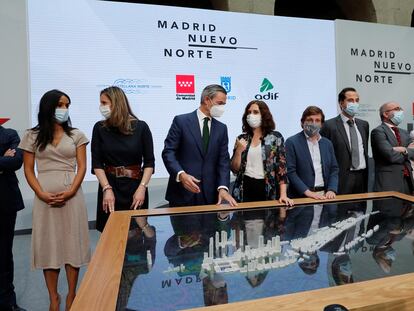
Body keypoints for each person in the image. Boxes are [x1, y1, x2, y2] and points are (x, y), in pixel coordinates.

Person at [19, 90, 90, 311]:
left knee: (72, 246)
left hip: (72, 197)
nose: (64, 109)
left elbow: (82, 167)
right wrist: (40, 193)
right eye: (60, 104)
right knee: (49, 247)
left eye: (67, 105)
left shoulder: (76, 134)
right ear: (48, 106)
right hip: (45, 199)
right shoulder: (31, 135)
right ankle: (53, 298)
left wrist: (71, 191)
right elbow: (29, 170)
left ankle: (71, 295)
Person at [91, 86, 155, 232]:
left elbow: (149, 162)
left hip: (136, 188)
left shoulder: (141, 127)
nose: (101, 107)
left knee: (137, 236)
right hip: (109, 187)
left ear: (116, 103)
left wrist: (142, 187)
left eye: (104, 103)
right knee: (110, 234)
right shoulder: (99, 128)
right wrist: (106, 189)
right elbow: (97, 163)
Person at [162, 84, 236, 208]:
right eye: (220, 103)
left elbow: (223, 161)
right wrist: (181, 175)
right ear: (207, 100)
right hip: (183, 193)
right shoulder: (181, 121)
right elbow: (168, 152)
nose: (222, 107)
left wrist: (223, 188)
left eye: (224, 104)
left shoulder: (222, 128)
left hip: (211, 196)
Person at [230, 100, 293, 206]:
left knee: (268, 221)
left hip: (267, 188)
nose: (251, 115)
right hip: (244, 187)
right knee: (244, 221)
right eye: (249, 112)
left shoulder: (275, 137)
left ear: (264, 115)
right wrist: (238, 151)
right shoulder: (242, 138)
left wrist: (283, 195)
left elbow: (282, 169)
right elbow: (235, 169)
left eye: (255, 112)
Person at [320, 87, 369, 195]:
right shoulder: (329, 125)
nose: (354, 103)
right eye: (350, 100)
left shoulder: (363, 125)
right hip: (341, 179)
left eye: (357, 100)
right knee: (341, 210)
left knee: (361, 211)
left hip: (362, 177)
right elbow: (325, 157)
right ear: (341, 103)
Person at [285, 106, 339, 199]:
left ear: (322, 124)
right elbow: (291, 172)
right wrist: (308, 192)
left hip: (325, 195)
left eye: (317, 120)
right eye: (310, 120)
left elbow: (334, 169)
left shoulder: (327, 143)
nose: (314, 123)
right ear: (302, 122)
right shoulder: (291, 142)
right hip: (301, 197)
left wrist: (331, 189)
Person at [0, 120, 26, 311]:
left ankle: (8, 303)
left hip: (5, 203)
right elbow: (6, 162)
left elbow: (16, 161)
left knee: (3, 255)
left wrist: (7, 160)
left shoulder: (9, 134)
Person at [371, 102, 414, 194]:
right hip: (389, 183)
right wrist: (408, 151)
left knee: (408, 208)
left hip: (408, 182)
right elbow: (390, 156)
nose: (401, 111)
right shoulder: (378, 132)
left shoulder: (404, 132)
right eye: (397, 109)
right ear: (385, 114)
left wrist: (404, 150)